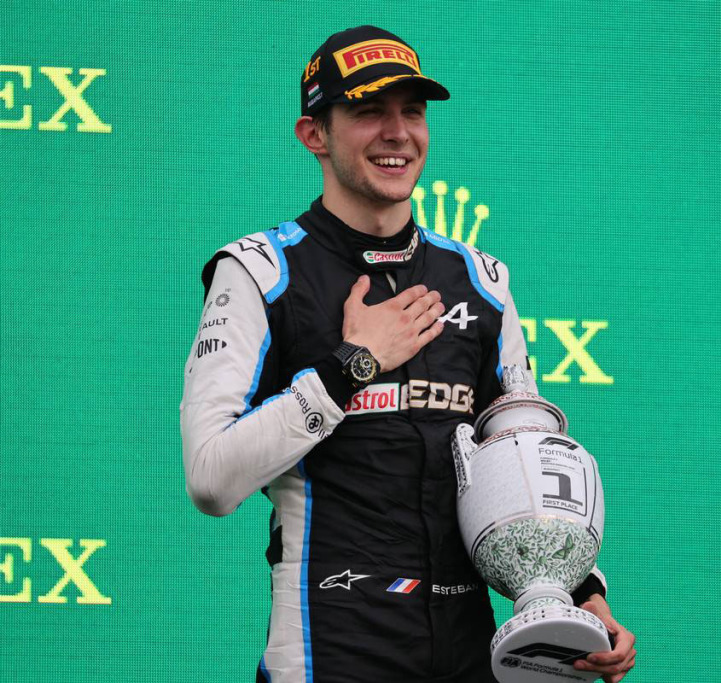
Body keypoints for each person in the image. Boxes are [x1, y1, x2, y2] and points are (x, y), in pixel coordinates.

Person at [180, 25, 636, 683]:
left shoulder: (481, 281)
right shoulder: (259, 272)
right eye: (370, 111)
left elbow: (522, 463)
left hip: (469, 650)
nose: (398, 133)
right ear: (314, 134)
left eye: (413, 112)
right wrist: (352, 365)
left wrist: (580, 591)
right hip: (327, 648)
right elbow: (211, 479)